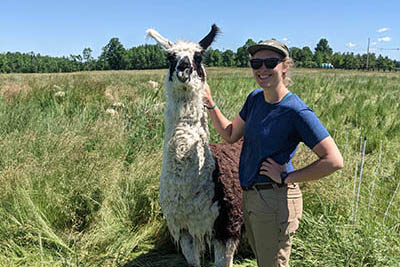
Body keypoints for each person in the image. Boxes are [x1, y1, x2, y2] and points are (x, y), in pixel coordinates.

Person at [203, 39, 343, 267]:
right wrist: (210, 103)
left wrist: (288, 176)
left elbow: (334, 160)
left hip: (275, 199)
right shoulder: (255, 99)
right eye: (256, 63)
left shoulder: (295, 111)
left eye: (270, 62)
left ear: (285, 66)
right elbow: (230, 134)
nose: (262, 69)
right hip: (251, 198)